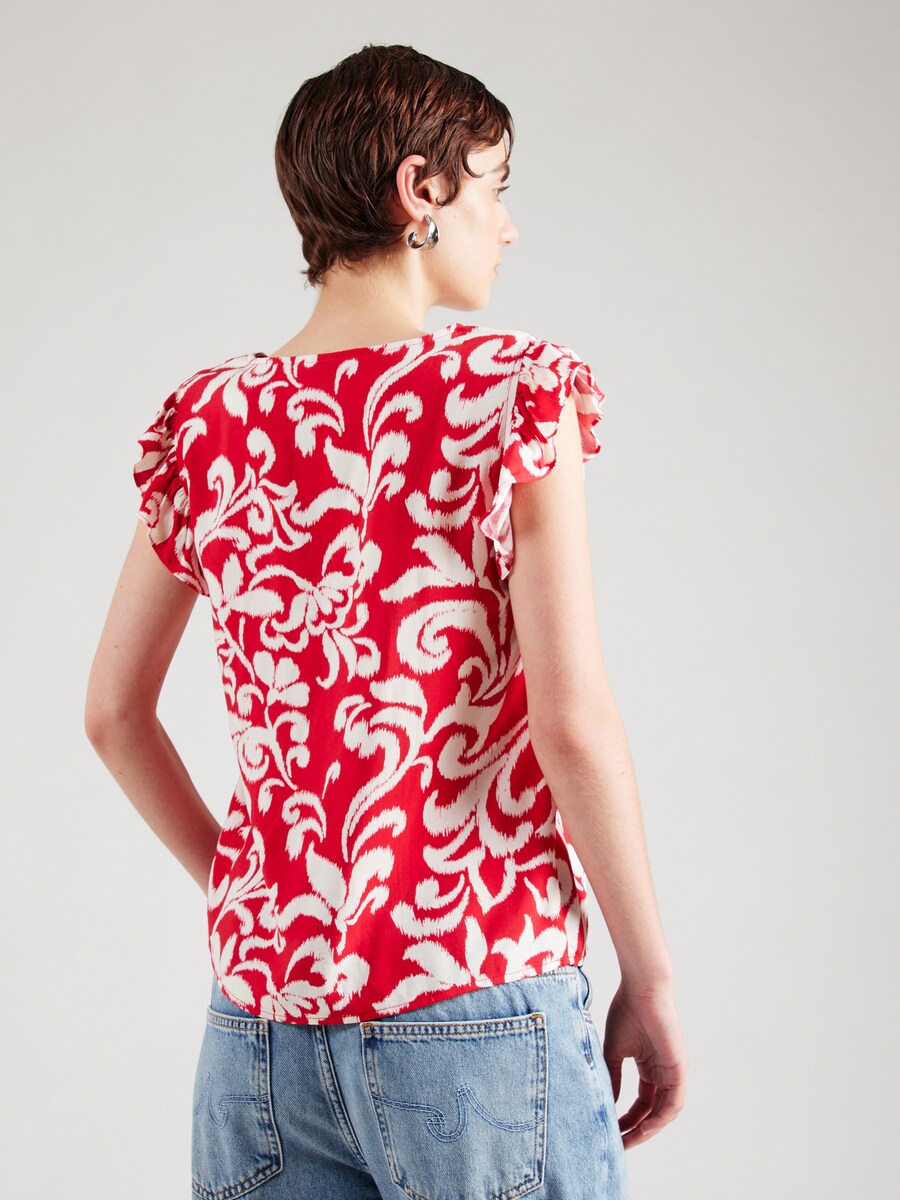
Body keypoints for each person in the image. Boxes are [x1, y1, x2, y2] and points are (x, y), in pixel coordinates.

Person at [84, 43, 686, 1199]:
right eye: (494, 187)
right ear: (423, 191)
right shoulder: (511, 396)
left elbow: (113, 713)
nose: (506, 226)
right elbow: (570, 721)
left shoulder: (209, 423)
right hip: (476, 995)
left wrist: (246, 892)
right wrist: (650, 976)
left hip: (258, 1026)